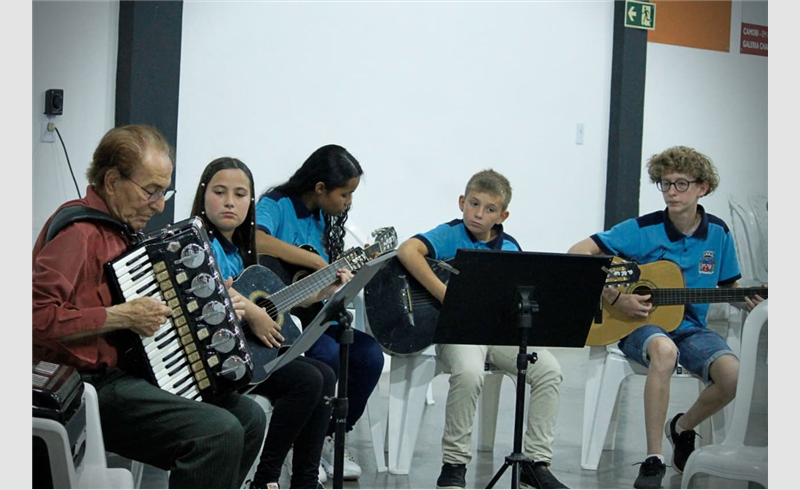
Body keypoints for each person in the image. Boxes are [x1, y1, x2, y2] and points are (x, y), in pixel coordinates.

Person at [32, 125, 267, 488]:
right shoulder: (77, 233)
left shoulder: (122, 231)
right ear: (112, 181)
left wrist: (210, 306)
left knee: (249, 417)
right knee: (215, 433)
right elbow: (34, 319)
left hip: (131, 373)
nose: (159, 205)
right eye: (151, 191)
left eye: (164, 191)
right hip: (87, 387)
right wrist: (118, 317)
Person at [567, 146, 765, 489]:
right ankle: (654, 458)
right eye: (665, 184)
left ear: (702, 188)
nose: (672, 192)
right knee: (664, 350)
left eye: (681, 184)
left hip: (692, 329)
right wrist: (617, 297)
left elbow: (729, 284)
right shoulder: (642, 228)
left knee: (733, 376)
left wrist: (748, 299)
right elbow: (578, 252)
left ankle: (683, 427)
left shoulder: (717, 233)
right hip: (641, 326)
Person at [397, 169, 568, 489]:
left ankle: (536, 463)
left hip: (498, 333)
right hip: (458, 333)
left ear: (502, 215)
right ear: (462, 202)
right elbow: (408, 251)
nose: (478, 214)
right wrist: (448, 296)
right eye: (473, 204)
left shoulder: (511, 247)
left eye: (489, 209)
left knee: (549, 369)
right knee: (470, 372)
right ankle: (454, 463)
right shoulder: (450, 233)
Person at [190, 157, 353, 489]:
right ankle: (266, 479)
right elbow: (208, 303)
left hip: (245, 350)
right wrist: (252, 313)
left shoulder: (243, 248)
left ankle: (304, 479)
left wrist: (328, 288)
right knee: (307, 379)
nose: (229, 202)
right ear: (204, 194)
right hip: (214, 359)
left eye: (239, 194)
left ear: (250, 201)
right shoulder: (196, 245)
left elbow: (281, 299)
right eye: (220, 192)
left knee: (326, 374)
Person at [255, 144, 384, 481]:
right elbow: (255, 240)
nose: (349, 202)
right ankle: (300, 446)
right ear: (321, 188)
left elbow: (313, 288)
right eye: (345, 194)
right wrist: (312, 259)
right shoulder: (277, 204)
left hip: (310, 313)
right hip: (278, 321)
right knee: (325, 354)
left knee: (370, 355)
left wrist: (335, 282)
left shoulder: (323, 218)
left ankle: (327, 437)